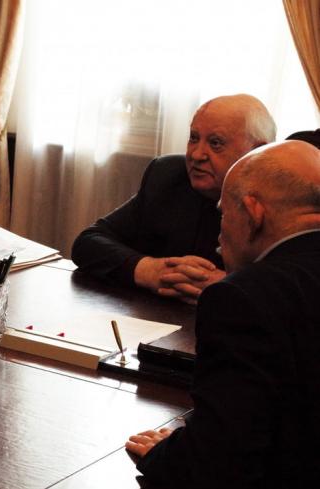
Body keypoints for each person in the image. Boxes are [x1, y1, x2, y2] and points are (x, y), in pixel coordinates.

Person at [125, 140, 320, 488]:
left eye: (224, 214)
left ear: (253, 213)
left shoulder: (244, 298)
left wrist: (168, 455)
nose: (219, 233)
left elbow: (221, 460)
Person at [71, 94, 275, 303]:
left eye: (215, 143)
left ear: (256, 151)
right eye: (193, 138)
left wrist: (229, 285)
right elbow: (88, 243)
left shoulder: (281, 200)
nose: (196, 155)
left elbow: (288, 288)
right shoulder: (168, 176)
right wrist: (149, 270)